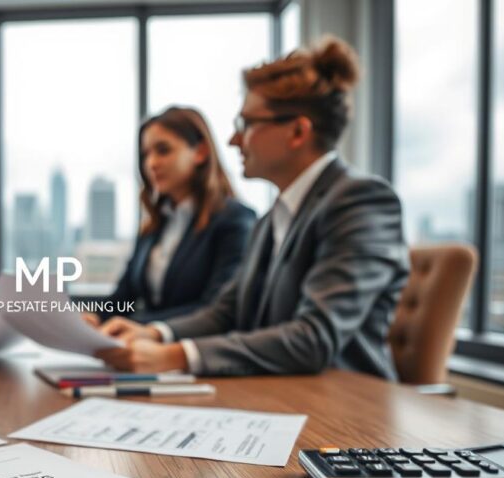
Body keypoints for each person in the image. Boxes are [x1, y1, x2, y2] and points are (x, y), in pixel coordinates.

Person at [96, 37, 409, 380]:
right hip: (277, 396)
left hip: (346, 412)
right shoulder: (272, 218)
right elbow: (225, 313)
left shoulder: (361, 202)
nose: (233, 140)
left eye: (246, 124)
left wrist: (176, 355)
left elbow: (313, 337)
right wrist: (155, 333)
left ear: (297, 131)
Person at [88, 106, 254, 324]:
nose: (151, 164)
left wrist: (140, 326)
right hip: (145, 349)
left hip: (193, 352)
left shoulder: (235, 221)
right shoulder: (154, 226)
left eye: (163, 150)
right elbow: (124, 294)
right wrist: (92, 318)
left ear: (200, 152)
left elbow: (216, 310)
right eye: (145, 154)